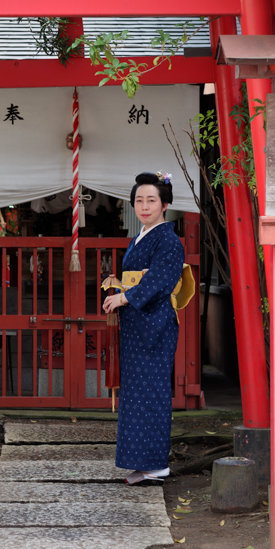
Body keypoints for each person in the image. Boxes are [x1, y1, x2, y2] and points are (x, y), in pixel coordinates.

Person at [102, 171, 184, 485]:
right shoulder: (142, 236)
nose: (145, 206)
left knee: (152, 390)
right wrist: (119, 286)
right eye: (139, 200)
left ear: (165, 204)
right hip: (138, 322)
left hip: (155, 323)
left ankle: (156, 465)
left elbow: (160, 280)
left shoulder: (168, 238)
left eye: (151, 200)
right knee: (137, 392)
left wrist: (126, 296)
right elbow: (138, 276)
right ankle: (142, 461)